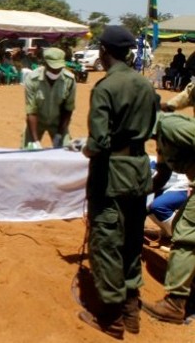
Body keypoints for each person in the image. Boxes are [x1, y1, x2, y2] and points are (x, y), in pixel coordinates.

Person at [78, 25, 156, 339]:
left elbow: (98, 142)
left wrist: (86, 148)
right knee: (132, 241)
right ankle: (131, 309)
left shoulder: (106, 87)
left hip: (111, 174)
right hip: (138, 171)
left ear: (104, 52)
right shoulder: (146, 86)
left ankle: (111, 316)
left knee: (107, 242)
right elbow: (150, 127)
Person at [141, 112, 195, 324]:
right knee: (183, 225)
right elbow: (161, 176)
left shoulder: (170, 127)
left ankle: (174, 304)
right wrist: (136, 199)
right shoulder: (161, 139)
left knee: (186, 237)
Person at [21, 48, 76, 149]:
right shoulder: (32, 79)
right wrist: (35, 141)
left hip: (58, 122)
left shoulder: (69, 80)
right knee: (26, 152)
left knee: (66, 151)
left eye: (59, 68)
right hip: (36, 122)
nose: (55, 71)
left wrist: (59, 134)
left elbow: (68, 109)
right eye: (52, 68)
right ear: (45, 64)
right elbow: (31, 111)